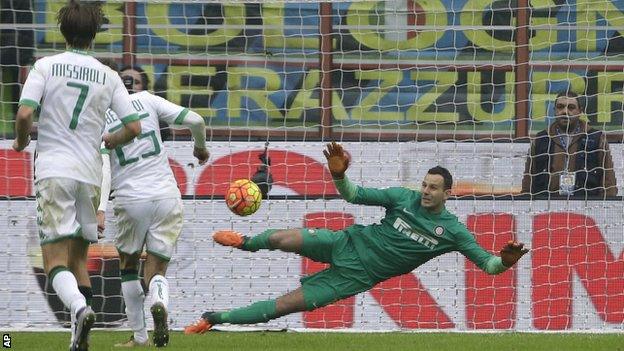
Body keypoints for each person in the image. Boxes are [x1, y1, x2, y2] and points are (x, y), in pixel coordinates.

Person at [184, 142, 529, 334]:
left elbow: (489, 265)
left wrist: (506, 261)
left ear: (447, 194)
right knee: (282, 238)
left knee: (284, 306)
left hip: (354, 277)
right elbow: (353, 194)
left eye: (433, 188)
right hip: (345, 242)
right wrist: (339, 175)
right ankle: (245, 242)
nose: (425, 191)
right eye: (424, 184)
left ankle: (214, 318)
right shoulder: (401, 197)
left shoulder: (453, 231)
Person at [12, 2, 141, 351]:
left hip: (55, 170)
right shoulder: (109, 75)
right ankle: (77, 339)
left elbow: (25, 114)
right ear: (95, 33)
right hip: (90, 175)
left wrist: (22, 140)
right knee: (79, 259)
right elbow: (134, 127)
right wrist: (111, 139)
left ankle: (79, 307)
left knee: (54, 261)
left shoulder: (46, 66)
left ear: (63, 31)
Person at [97, 65, 209, 347]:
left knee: (128, 267)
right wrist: (200, 148)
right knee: (157, 270)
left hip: (130, 198)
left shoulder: (99, 116)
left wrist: (100, 206)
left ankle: (139, 336)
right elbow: (196, 119)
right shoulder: (149, 100)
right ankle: (159, 301)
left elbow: (103, 168)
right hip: (166, 196)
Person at [522, 91, 617, 197]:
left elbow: (608, 182)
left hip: (586, 204)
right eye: (560, 107)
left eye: (571, 107)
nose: (565, 111)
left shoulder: (596, 138)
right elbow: (528, 181)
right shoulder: (541, 139)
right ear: (554, 110)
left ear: (580, 111)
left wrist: (607, 206)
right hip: (547, 205)